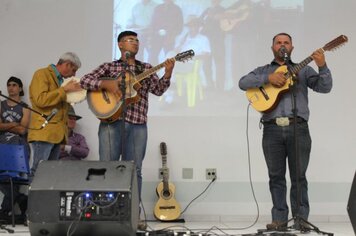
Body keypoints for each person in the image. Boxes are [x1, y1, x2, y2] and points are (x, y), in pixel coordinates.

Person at [80, 30, 175, 230]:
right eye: (130, 40)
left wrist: (167, 73)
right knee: (107, 168)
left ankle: (133, 216)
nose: (135, 44)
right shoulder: (109, 66)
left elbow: (158, 90)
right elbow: (85, 81)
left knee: (135, 170)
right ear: (120, 45)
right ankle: (105, 213)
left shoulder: (146, 68)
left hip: (138, 124)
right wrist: (109, 83)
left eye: (137, 41)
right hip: (110, 123)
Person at [239, 33, 333, 230]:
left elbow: (325, 88)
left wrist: (322, 65)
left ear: (292, 47)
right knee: (276, 176)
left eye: (286, 43)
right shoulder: (263, 70)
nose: (282, 45)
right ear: (272, 47)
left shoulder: (305, 70)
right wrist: (268, 78)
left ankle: (301, 220)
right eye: (278, 42)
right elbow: (243, 82)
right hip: (271, 129)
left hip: (298, 128)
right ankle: (279, 220)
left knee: (299, 177)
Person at [28, 52, 82, 175]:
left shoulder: (60, 81)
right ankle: (35, 195)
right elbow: (40, 100)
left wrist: (74, 98)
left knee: (50, 173)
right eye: (74, 70)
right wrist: (65, 90)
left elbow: (57, 103)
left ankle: (45, 195)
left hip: (57, 134)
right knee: (39, 171)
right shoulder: (42, 74)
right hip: (44, 132)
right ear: (67, 64)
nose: (74, 74)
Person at [0, 76, 30, 221]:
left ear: (20, 88)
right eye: (9, 85)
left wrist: (6, 125)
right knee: (3, 179)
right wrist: (14, 124)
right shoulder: (1, 104)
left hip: (17, 148)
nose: (11, 87)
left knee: (14, 179)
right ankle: (21, 199)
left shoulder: (25, 107)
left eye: (14, 85)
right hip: (2, 146)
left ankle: (4, 212)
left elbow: (23, 130)